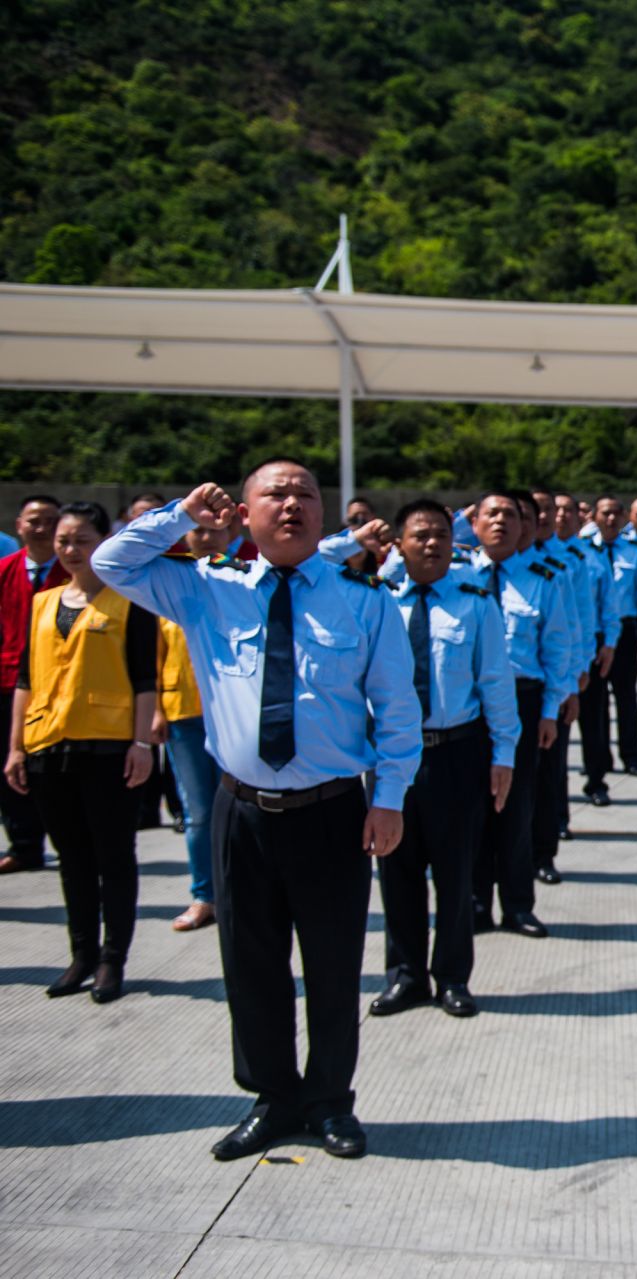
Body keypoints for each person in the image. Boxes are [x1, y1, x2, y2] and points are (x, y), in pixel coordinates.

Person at [94, 461, 420, 1161]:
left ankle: (331, 1100)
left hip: (333, 811)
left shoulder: (363, 600)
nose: (291, 503)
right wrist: (181, 515)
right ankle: (273, 1098)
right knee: (251, 964)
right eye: (274, 493)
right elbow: (109, 559)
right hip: (240, 812)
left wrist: (388, 798)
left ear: (322, 512)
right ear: (243, 515)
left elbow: (397, 710)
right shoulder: (207, 589)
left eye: (305, 493)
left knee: (334, 967)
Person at [366, 500, 517, 1020]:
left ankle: (452, 977)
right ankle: (406, 977)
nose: (431, 544)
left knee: (455, 875)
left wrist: (504, 754)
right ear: (399, 545)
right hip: (392, 760)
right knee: (397, 872)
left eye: (440, 536)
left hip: (455, 754)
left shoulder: (476, 602)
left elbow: (496, 683)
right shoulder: (377, 601)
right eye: (420, 535)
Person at [6, 502, 158, 1004]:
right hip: (49, 744)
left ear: (104, 543)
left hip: (109, 747)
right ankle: (82, 955)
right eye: (64, 541)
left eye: (83, 541)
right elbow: (27, 678)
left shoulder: (128, 600)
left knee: (113, 856)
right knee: (71, 858)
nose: (71, 550)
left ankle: (113, 959)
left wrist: (141, 743)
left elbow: (144, 679)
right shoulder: (44, 602)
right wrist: (16, 747)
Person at [465, 491, 570, 938]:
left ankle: (517, 904)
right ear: (473, 523)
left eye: (512, 515)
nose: (502, 522)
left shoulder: (544, 578)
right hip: (467, 708)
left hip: (523, 700)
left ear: (525, 525)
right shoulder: (455, 574)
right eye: (491, 514)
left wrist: (550, 712)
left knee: (517, 804)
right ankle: (472, 905)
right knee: (470, 808)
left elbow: (558, 648)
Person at [156, 518, 233, 932]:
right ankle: (204, 894)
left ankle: (238, 889)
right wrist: (155, 711)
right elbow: (152, 654)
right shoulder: (170, 581)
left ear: (230, 532)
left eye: (212, 530)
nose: (204, 537)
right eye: (197, 530)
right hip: (182, 712)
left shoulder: (240, 581)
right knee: (199, 810)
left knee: (236, 806)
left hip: (228, 711)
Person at [0, 495, 69, 873]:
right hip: (8, 679)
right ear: (18, 525)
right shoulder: (5, 570)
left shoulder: (75, 571)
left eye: (50, 520)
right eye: (33, 520)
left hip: (59, 684)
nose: (41, 528)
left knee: (51, 769)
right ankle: (24, 845)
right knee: (9, 767)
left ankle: (65, 842)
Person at [526, 488, 587, 882]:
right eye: (536, 510)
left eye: (550, 509)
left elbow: (576, 625)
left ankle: (543, 853)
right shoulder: (480, 569)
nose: (548, 516)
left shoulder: (565, 565)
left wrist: (572, 684)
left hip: (548, 684)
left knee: (548, 773)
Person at [553, 494, 616, 810]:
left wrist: (609, 644)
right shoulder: (534, 557)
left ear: (581, 519)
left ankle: (597, 781)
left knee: (593, 723)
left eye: (570, 511)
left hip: (586, 652)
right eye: (557, 510)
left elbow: (608, 603)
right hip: (551, 658)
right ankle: (557, 805)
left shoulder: (591, 556)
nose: (563, 516)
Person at [588, 496, 637, 785]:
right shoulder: (583, 551)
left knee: (626, 696)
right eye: (606, 513)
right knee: (596, 701)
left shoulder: (634, 551)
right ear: (595, 516)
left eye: (616, 513)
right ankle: (599, 759)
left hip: (626, 630)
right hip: (595, 633)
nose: (611, 519)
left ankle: (632, 757)